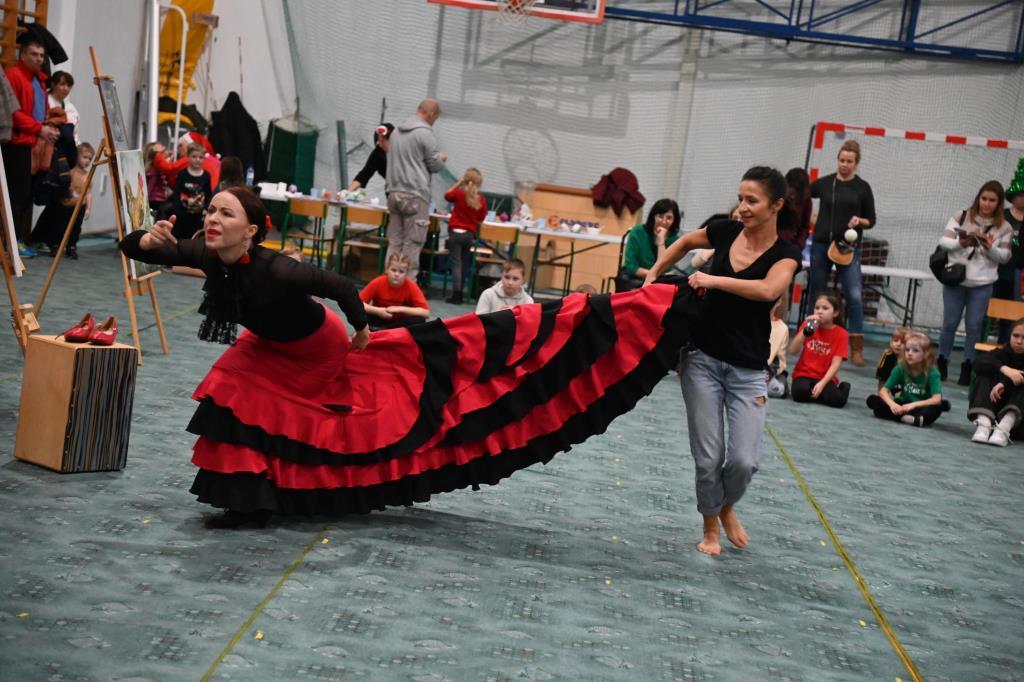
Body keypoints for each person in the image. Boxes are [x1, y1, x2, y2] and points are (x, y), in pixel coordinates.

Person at [120, 186, 705, 527]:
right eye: (211, 211)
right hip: (270, 344)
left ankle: (284, 492)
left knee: (335, 420)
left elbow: (343, 286)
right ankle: (247, 498)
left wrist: (360, 331)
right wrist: (149, 240)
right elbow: (137, 248)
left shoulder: (278, 269)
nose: (213, 219)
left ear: (252, 230)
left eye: (226, 213)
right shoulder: (206, 253)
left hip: (321, 348)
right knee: (233, 392)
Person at [643, 166, 802, 556]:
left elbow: (767, 289)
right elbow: (683, 242)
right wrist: (654, 274)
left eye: (752, 200)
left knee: (744, 462)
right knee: (708, 458)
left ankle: (726, 506)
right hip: (701, 361)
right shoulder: (725, 231)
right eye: (740, 199)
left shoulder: (786, 255)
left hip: (748, 372)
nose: (743, 207)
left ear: (776, 205)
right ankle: (710, 526)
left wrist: (712, 280)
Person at [936, 180, 1012, 386]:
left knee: (974, 327)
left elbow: (1005, 256)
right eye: (984, 198)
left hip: (982, 284)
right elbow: (944, 242)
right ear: (978, 198)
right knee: (949, 324)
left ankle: (968, 366)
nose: (986, 203)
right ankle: (942, 361)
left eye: (992, 200)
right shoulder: (961, 216)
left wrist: (989, 247)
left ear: (999, 203)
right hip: (956, 280)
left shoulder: (1005, 227)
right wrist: (960, 242)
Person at [808, 139, 876, 366]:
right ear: (837, 160)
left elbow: (871, 220)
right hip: (820, 245)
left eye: (849, 161)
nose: (845, 165)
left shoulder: (863, 188)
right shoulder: (825, 183)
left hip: (847, 248)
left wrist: (860, 221)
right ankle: (810, 337)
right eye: (842, 160)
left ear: (856, 163)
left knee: (854, 295)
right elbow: (804, 196)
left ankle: (855, 348)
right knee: (816, 291)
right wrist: (809, 218)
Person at [3, 36, 59, 254]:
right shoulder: (13, 76)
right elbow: (12, 113)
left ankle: (15, 240)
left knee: (25, 195)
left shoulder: (39, 80)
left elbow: (39, 111)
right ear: (23, 54)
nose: (39, 59)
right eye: (34, 54)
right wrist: (39, 128)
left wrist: (49, 126)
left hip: (33, 142)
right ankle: (10, 243)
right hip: (15, 143)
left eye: (41, 55)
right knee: (16, 195)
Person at [385, 99, 446, 282]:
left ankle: (388, 282)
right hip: (415, 194)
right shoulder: (425, 133)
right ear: (431, 113)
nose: (434, 121)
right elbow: (433, 165)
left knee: (395, 242)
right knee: (413, 243)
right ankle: (406, 287)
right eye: (435, 118)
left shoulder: (396, 132)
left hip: (394, 192)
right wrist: (441, 159)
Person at [866, 331, 949, 427]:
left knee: (935, 408)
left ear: (926, 354)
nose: (909, 353)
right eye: (907, 350)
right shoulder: (900, 368)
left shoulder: (933, 373)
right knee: (873, 400)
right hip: (903, 404)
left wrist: (912, 405)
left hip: (921, 406)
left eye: (915, 351)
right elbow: (883, 391)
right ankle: (908, 418)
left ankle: (908, 418)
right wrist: (893, 405)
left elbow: (936, 399)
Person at [968, 317, 1024, 447]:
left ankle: (1004, 428)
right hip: (995, 412)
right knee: (983, 375)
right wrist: (1004, 369)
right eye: (1015, 336)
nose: (1019, 341)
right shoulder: (1002, 352)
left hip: (1018, 422)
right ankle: (984, 424)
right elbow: (978, 363)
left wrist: (1004, 383)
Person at [789, 292, 850, 407]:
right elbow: (793, 350)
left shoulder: (842, 334)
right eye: (817, 308)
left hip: (824, 377)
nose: (819, 311)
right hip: (804, 374)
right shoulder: (808, 325)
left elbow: (835, 364)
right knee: (799, 394)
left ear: (835, 313)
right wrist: (806, 330)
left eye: (825, 308)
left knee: (837, 401)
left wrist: (822, 384)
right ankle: (817, 394)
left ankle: (843, 387)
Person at [617, 198, 682, 291]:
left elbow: (663, 268)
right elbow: (631, 266)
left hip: (658, 283)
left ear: (674, 220)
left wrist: (661, 242)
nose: (664, 221)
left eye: (669, 218)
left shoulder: (675, 240)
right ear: (653, 216)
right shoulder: (637, 231)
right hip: (635, 280)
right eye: (660, 216)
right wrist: (653, 276)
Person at [444, 167, 487, 304]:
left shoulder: (459, 194)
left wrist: (458, 183)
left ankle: (456, 295)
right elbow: (481, 218)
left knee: (456, 264)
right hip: (469, 235)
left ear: (465, 180)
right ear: (479, 183)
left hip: (455, 233)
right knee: (464, 264)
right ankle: (461, 293)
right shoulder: (481, 199)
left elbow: (447, 195)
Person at [359, 252, 430, 330]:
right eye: (393, 270)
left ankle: (383, 330)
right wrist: (378, 311)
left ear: (406, 273)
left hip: (400, 323)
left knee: (419, 320)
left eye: (401, 272)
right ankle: (380, 330)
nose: (397, 274)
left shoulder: (411, 285)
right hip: (380, 318)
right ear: (387, 270)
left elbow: (426, 312)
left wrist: (401, 309)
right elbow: (357, 303)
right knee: (361, 314)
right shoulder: (378, 282)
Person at [997, 175, 1024, 342]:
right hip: (997, 272)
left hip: (1019, 275)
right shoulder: (1002, 215)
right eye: (1020, 194)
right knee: (986, 314)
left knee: (1010, 318)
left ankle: (1006, 347)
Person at [171, 142, 213, 240]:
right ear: (188, 157)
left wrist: (206, 209)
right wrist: (177, 210)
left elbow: (208, 194)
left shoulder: (206, 176)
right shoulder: (182, 174)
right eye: (194, 157)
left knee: (194, 240)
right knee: (180, 240)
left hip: (198, 217)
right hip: (182, 216)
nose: (197, 160)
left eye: (201, 157)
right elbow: (176, 194)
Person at [347, 123, 393, 192]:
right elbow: (364, 174)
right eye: (378, 141)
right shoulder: (378, 153)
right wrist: (347, 192)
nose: (380, 145)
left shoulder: (404, 150)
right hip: (393, 191)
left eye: (382, 141)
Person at [783, 167, 812, 251]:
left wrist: (799, 245)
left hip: (792, 247)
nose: (793, 196)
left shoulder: (806, 200)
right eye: (791, 191)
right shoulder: (776, 196)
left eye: (797, 192)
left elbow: (805, 226)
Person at [766, 298, 789, 399]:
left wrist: (770, 372)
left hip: (768, 371)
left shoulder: (783, 328)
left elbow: (780, 360)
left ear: (779, 301)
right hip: (745, 369)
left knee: (777, 389)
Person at [46, 70, 78, 143]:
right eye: (62, 84)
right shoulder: (44, 100)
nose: (66, 88)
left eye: (69, 86)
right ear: (53, 84)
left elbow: (74, 134)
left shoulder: (71, 108)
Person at [144, 142, 172, 220]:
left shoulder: (153, 167)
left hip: (156, 199)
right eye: (162, 153)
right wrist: (145, 198)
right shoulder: (156, 168)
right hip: (156, 200)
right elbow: (151, 184)